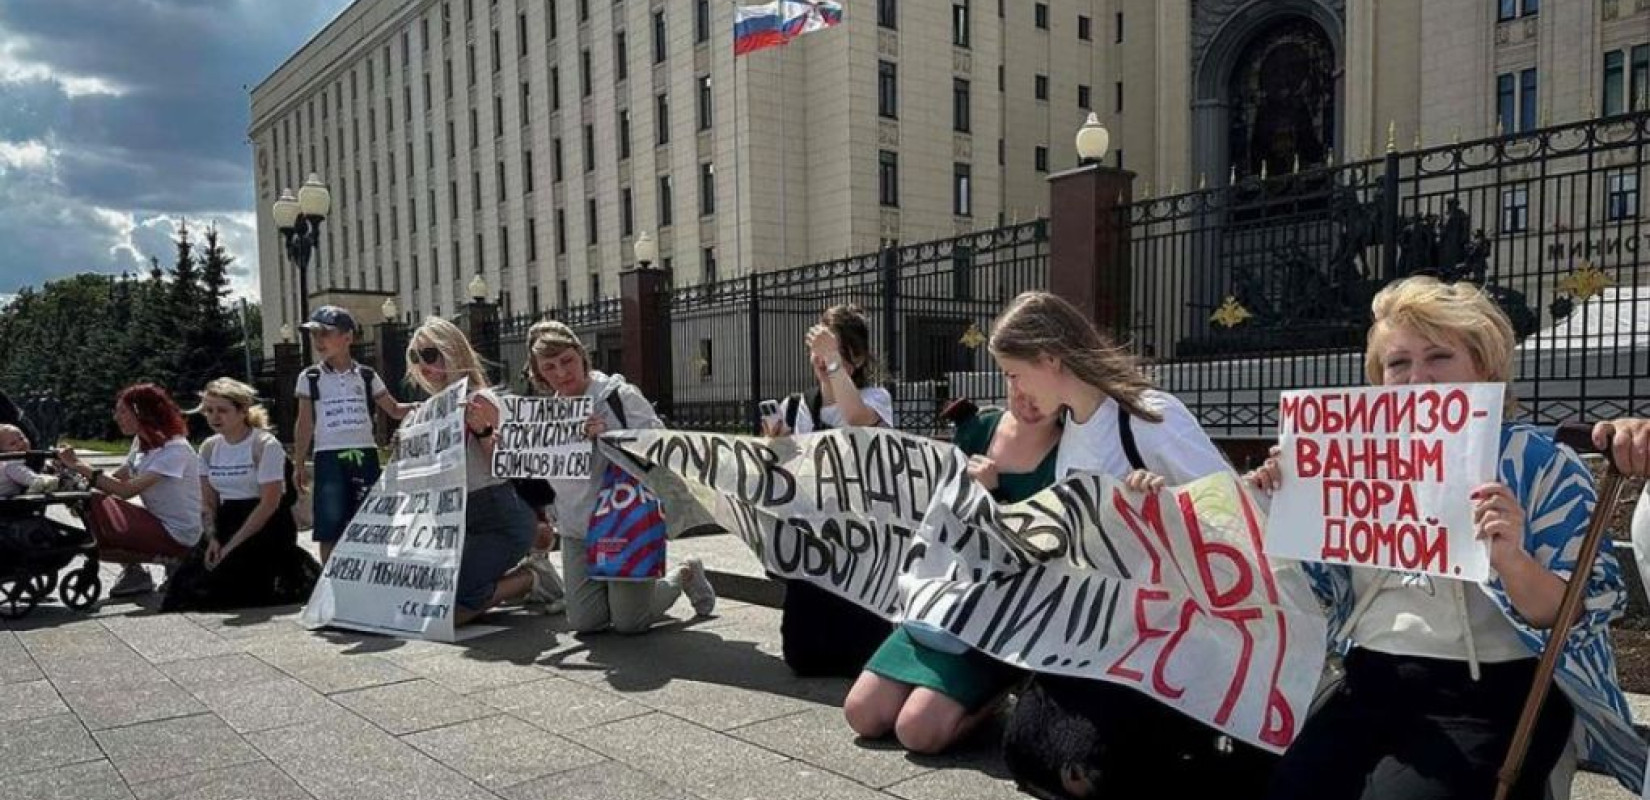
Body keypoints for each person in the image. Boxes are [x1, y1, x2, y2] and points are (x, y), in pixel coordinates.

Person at [1250, 277, 1643, 800]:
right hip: (1368, 680)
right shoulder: (1348, 461)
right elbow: (1312, 595)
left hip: (1488, 694)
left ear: (1486, 369)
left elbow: (1568, 615)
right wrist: (1281, 500)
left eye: (1439, 357)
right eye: (1398, 364)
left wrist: (1510, 558)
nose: (1417, 379)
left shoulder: (1541, 464)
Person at [986, 291, 1275, 799]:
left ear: (1050, 359)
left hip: (1167, 636)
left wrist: (1163, 512)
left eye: (1013, 373)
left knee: (1082, 770)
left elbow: (1233, 513)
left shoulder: (1146, 416)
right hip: (1102, 633)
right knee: (1024, 753)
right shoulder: (1069, 426)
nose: (1013, 389)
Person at [844, 389, 1058, 754]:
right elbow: (941, 513)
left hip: (998, 619)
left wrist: (995, 501)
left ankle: (996, 694)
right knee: (862, 714)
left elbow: (1047, 549)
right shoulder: (979, 428)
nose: (1027, 398)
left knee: (917, 731)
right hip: (943, 602)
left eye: (1035, 382)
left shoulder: (1071, 449)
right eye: (1014, 378)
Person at [524, 319, 716, 634]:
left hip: (624, 521)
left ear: (582, 356)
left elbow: (660, 444)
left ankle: (685, 573)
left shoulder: (618, 396)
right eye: (549, 367)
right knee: (586, 623)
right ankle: (617, 592)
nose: (561, 373)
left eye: (567, 361)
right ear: (539, 374)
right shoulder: (547, 417)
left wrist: (609, 435)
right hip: (576, 529)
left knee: (630, 623)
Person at [762, 305, 898, 677]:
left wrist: (835, 364)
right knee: (803, 656)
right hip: (813, 539)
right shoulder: (798, 406)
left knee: (863, 654)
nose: (823, 361)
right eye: (819, 351)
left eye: (834, 350)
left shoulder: (875, 399)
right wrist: (778, 445)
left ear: (856, 355)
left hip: (859, 538)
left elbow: (855, 420)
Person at [403, 317, 548, 626]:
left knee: (450, 613)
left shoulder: (479, 399)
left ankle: (531, 578)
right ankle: (505, 582)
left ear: (452, 351)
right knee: (430, 602)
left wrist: (482, 432)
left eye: (430, 354)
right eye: (416, 358)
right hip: (458, 520)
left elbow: (511, 467)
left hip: (499, 514)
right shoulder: (427, 411)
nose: (423, 365)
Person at [163, 378, 318, 611]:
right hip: (227, 519)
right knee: (188, 588)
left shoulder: (265, 445)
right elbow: (209, 501)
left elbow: (270, 503)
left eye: (222, 410)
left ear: (242, 410)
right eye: (209, 411)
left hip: (265, 523)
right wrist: (213, 538)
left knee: (242, 586)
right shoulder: (209, 447)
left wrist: (231, 546)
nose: (215, 417)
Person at [57, 384, 202, 597]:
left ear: (141, 413)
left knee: (96, 503)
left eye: (122, 411)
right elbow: (117, 477)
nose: (116, 417)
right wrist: (76, 477)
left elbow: (125, 491)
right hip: (158, 522)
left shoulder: (175, 450)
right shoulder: (141, 442)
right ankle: (135, 572)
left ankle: (178, 560)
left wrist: (78, 464)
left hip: (179, 532)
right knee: (92, 518)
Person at [292, 305, 411, 564]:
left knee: (370, 517)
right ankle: (330, 583)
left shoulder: (366, 376)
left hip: (364, 455)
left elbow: (393, 409)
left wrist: (426, 406)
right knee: (329, 524)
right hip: (328, 457)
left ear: (347, 338)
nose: (318, 341)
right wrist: (299, 462)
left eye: (325, 333)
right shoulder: (310, 377)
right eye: (314, 335)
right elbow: (305, 422)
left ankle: (369, 576)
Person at [0, 424, 49, 498]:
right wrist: (38, 480)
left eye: (21, 438)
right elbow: (24, 475)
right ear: (3, 451)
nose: (20, 443)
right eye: (12, 443)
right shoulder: (10, 464)